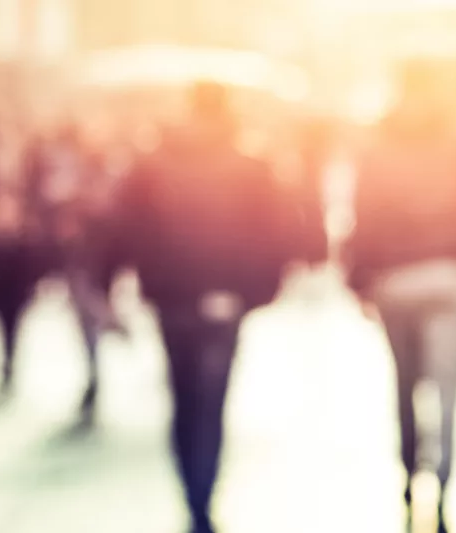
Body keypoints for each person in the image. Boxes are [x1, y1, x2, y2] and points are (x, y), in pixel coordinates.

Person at [82, 81, 324, 533]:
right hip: (225, 301)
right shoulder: (251, 165)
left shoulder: (153, 163)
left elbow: (121, 226)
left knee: (183, 396)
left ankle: (192, 495)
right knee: (211, 402)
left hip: (172, 296)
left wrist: (107, 280)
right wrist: (256, 290)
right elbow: (279, 232)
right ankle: (203, 496)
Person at [345, 61, 456, 533]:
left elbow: (362, 215)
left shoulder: (377, 150)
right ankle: (445, 482)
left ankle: (410, 478)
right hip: (451, 276)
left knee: (404, 385)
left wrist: (359, 278)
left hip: (395, 281)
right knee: (448, 390)